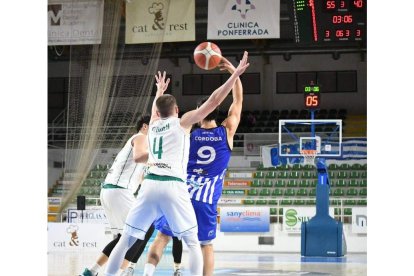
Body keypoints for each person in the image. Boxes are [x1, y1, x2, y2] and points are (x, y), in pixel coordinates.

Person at [104, 51, 249, 276]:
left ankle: (136, 274)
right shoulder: (197, 128)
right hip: (190, 192)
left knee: (142, 238)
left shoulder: (155, 127)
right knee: (199, 245)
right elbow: (223, 101)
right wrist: (235, 74)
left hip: (153, 184)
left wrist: (159, 92)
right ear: (178, 111)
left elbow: (155, 112)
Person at [148, 56, 244, 276]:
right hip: (205, 198)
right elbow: (237, 102)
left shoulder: (187, 130)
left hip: (180, 194)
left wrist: (160, 93)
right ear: (219, 113)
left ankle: (147, 272)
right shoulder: (227, 130)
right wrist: (235, 75)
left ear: (199, 115)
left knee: (163, 237)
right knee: (205, 245)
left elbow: (159, 117)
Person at [80, 114, 155, 276]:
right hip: (118, 191)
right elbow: (138, 158)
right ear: (144, 126)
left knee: (123, 237)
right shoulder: (141, 137)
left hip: (111, 191)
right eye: (153, 126)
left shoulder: (142, 144)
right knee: (144, 229)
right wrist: (164, 155)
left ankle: (90, 272)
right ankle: (121, 272)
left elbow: (141, 178)